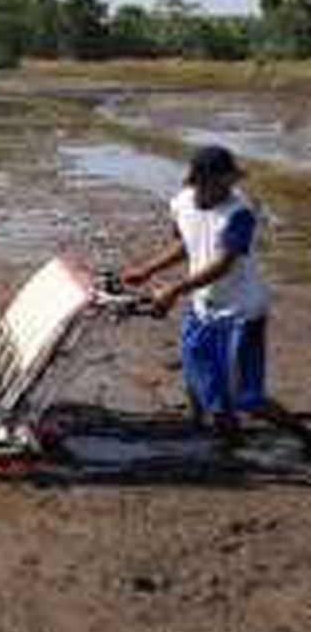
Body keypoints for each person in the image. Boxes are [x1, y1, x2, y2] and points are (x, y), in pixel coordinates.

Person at [123, 144, 310, 450]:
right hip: (203, 306)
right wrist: (147, 269)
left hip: (242, 312)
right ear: (199, 181)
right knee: (198, 371)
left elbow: (223, 264)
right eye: (221, 183)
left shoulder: (240, 213)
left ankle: (303, 435)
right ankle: (219, 435)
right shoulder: (182, 202)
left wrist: (174, 289)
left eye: (230, 182)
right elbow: (186, 243)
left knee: (245, 397)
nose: (229, 188)